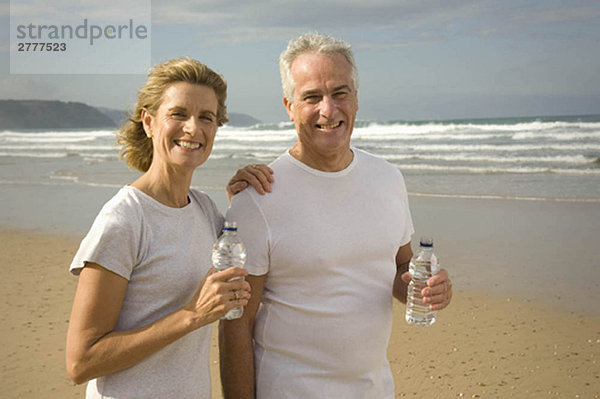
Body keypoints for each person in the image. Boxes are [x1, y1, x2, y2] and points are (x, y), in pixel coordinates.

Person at [220, 32, 453, 398]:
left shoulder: (389, 178)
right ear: (289, 106)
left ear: (356, 100)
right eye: (311, 97)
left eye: (340, 93)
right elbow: (236, 323)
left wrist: (427, 288)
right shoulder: (258, 197)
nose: (328, 109)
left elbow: (398, 270)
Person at [65, 57, 273, 398]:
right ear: (149, 122)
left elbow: (240, 252)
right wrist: (191, 316)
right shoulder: (125, 219)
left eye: (206, 117)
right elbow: (81, 362)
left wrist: (242, 198)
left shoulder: (205, 210)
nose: (193, 128)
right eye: (178, 114)